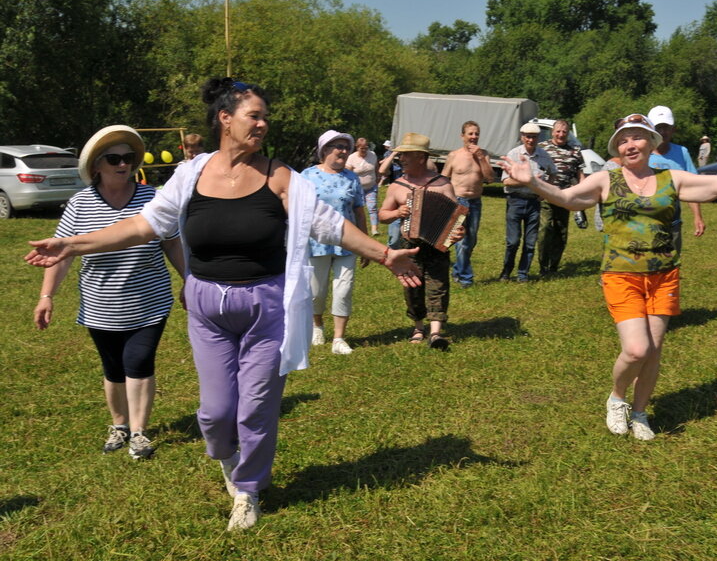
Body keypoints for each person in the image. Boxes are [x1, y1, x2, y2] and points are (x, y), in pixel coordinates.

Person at [25, 78, 421, 531]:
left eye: (265, 116)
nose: (263, 123)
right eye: (255, 115)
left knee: (255, 407)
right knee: (214, 413)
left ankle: (249, 489)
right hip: (207, 305)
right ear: (225, 119)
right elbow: (143, 225)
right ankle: (230, 460)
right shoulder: (191, 174)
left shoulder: (279, 176)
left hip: (266, 305)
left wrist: (384, 254)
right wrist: (75, 245)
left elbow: (328, 225)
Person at [501, 113, 717, 440]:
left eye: (636, 137)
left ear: (651, 143)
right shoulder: (607, 179)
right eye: (622, 140)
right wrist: (532, 182)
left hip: (663, 275)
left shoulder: (672, 178)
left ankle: (640, 412)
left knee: (654, 349)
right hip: (621, 275)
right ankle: (617, 397)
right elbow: (568, 199)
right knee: (637, 349)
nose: (629, 144)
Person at [32, 125, 185, 459]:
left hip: (149, 302)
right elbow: (61, 255)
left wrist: (190, 280)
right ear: (96, 166)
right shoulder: (80, 204)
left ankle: (140, 432)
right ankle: (119, 424)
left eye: (128, 157)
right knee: (113, 367)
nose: (123, 164)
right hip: (101, 304)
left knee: (139, 360)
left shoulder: (153, 199)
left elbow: (173, 243)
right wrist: (47, 296)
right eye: (114, 158)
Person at [379, 132, 463, 350]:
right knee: (413, 289)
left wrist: (457, 232)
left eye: (406, 155)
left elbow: (456, 217)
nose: (401, 159)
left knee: (439, 286)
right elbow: (382, 215)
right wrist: (398, 212)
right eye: (401, 156)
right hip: (410, 247)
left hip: (437, 247)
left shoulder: (443, 184)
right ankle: (418, 326)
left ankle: (435, 332)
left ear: (421, 157)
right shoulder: (398, 185)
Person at [303, 130, 367, 355]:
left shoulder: (352, 177)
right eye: (337, 146)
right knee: (315, 291)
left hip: (347, 243)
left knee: (344, 289)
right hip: (316, 243)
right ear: (324, 150)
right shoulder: (307, 176)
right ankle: (316, 325)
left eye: (345, 147)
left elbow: (359, 210)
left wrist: (366, 244)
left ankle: (339, 339)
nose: (343, 151)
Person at [499, 123, 557, 282]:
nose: (531, 140)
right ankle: (506, 271)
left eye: (534, 137)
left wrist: (544, 192)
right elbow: (506, 181)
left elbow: (553, 173)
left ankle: (522, 274)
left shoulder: (544, 156)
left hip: (534, 203)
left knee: (530, 243)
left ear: (538, 138)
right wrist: (527, 182)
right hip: (515, 201)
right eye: (528, 136)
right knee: (513, 241)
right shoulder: (514, 154)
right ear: (522, 137)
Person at [441, 120, 495, 287]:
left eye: (476, 134)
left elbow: (490, 178)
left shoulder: (484, 154)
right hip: (458, 201)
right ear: (462, 136)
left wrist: (480, 158)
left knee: (471, 240)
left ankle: (457, 269)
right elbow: (444, 178)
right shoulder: (454, 155)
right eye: (470, 134)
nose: (474, 137)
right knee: (461, 240)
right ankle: (466, 277)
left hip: (476, 201)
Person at [647, 106, 706, 253]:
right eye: (658, 127)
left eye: (666, 127)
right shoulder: (642, 153)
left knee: (672, 264)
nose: (662, 132)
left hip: (673, 222)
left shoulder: (682, 152)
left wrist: (697, 216)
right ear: (650, 129)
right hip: (645, 223)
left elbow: (692, 186)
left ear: (673, 129)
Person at [537, 120, 585, 276]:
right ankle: (543, 265)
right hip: (546, 195)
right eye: (558, 131)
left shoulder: (575, 151)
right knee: (544, 229)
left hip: (566, 196)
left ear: (568, 133)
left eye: (564, 132)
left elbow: (580, 175)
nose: (561, 134)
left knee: (561, 231)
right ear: (552, 132)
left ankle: (554, 266)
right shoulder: (542, 148)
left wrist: (580, 191)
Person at [346, 137, 380, 236]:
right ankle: (357, 229)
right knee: (357, 209)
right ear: (357, 148)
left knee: (372, 207)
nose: (364, 150)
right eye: (362, 148)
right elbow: (348, 172)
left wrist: (378, 177)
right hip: (357, 189)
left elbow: (376, 167)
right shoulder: (352, 158)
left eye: (366, 148)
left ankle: (374, 229)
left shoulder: (372, 155)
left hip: (371, 187)